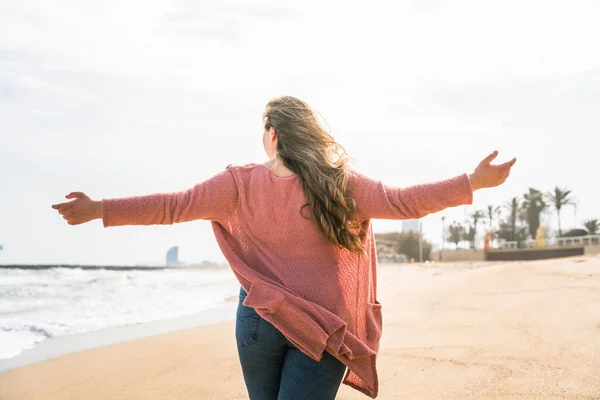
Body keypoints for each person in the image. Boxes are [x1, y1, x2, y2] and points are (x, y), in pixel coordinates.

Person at [52, 96, 516, 399]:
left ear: (273, 134)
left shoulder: (237, 183)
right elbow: (403, 201)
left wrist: (100, 209)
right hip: (321, 323)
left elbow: (174, 206)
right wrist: (471, 182)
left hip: (259, 318)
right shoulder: (340, 184)